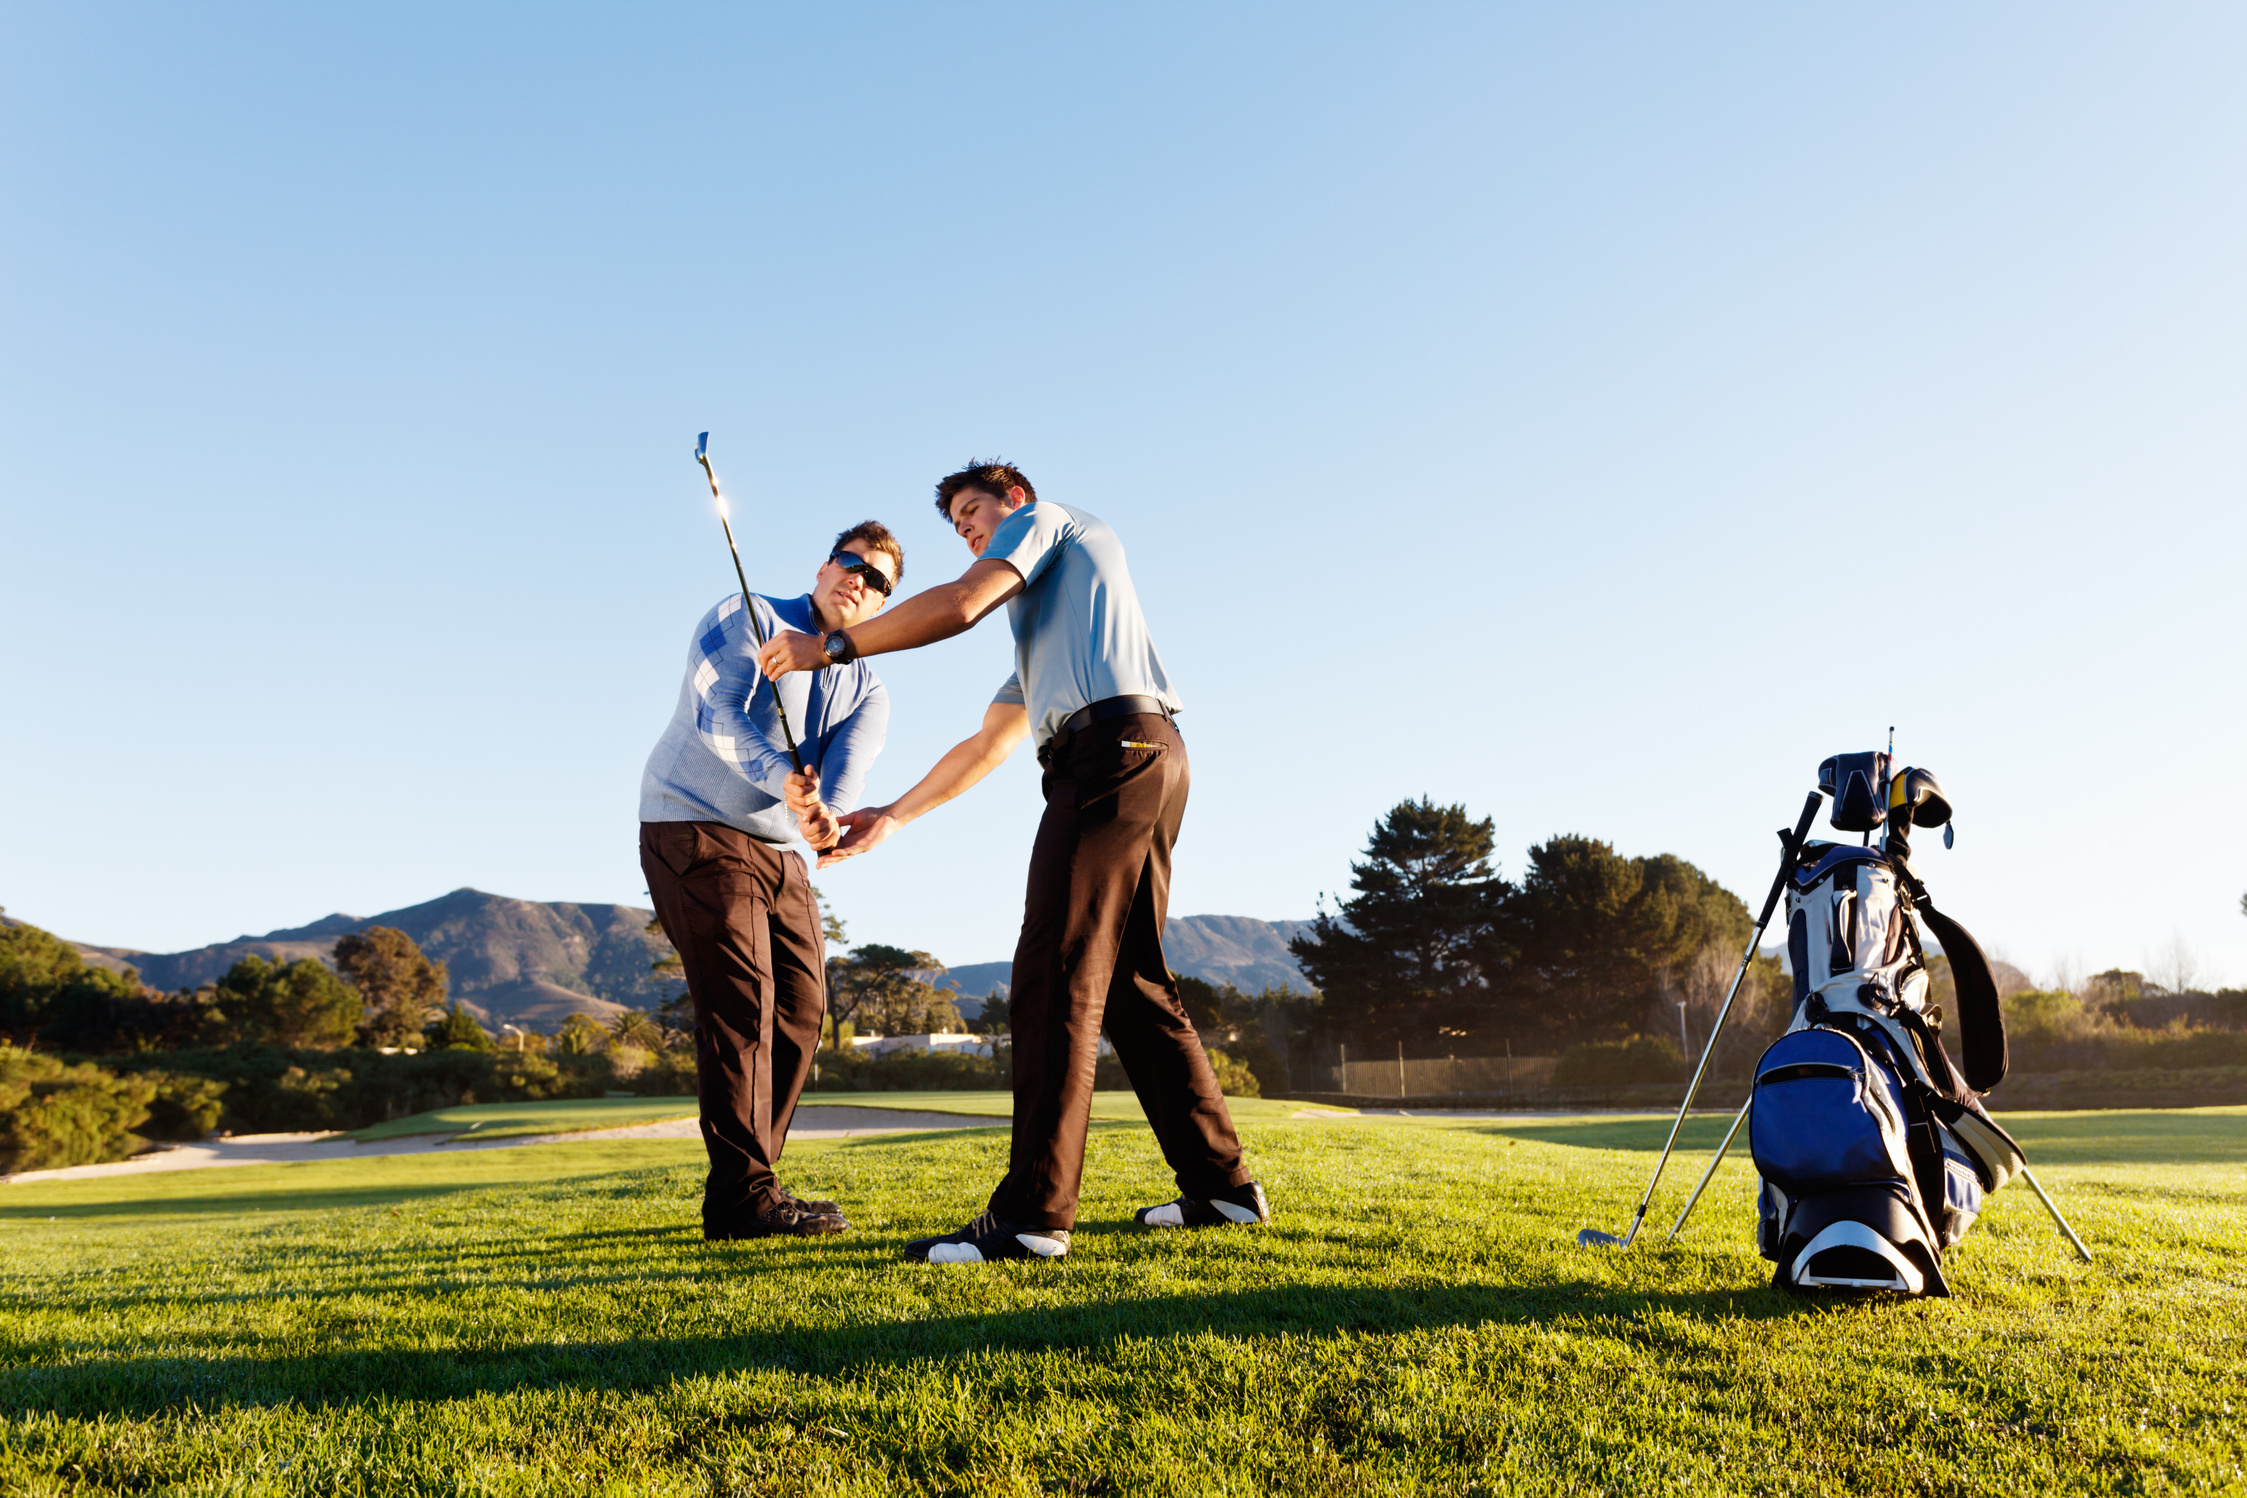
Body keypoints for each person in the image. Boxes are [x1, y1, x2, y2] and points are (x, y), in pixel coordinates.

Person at [755, 461, 1267, 1265]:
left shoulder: (1049, 522)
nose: (965, 529)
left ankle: (1032, 1217)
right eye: (956, 523)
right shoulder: (1049, 624)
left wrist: (828, 648)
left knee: (1054, 972)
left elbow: (960, 604)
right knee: (1133, 982)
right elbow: (987, 745)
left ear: (1014, 503)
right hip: (1145, 753)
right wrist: (890, 816)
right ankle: (1224, 1190)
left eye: (973, 511)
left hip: (1111, 754)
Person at [639, 522, 901, 1240]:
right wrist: (780, 776)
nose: (860, 582)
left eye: (878, 582)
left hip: (780, 851)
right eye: (852, 565)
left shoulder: (868, 685)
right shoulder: (747, 613)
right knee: (742, 1002)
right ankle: (743, 1199)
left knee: (801, 1010)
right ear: (823, 568)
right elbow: (716, 714)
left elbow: (845, 776)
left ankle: (752, 1185)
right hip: (691, 826)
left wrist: (826, 820)